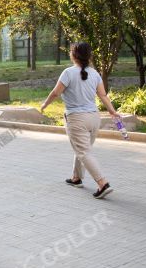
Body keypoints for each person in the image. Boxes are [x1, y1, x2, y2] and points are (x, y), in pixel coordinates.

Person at [40, 42, 119, 199]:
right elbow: (103, 95)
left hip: (77, 119)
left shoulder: (68, 73)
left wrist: (44, 105)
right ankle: (76, 178)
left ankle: (102, 183)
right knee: (83, 149)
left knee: (83, 152)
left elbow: (56, 93)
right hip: (94, 118)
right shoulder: (95, 74)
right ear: (89, 56)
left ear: (73, 55)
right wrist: (112, 111)